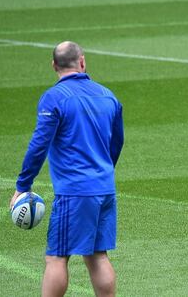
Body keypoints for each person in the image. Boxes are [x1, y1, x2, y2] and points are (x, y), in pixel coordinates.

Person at [11, 41, 124, 297]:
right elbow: (116, 142)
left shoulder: (54, 98)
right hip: (105, 188)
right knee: (97, 255)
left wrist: (23, 186)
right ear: (82, 62)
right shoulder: (108, 96)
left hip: (75, 192)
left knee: (57, 257)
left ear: (54, 66)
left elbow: (39, 145)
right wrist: (102, 172)